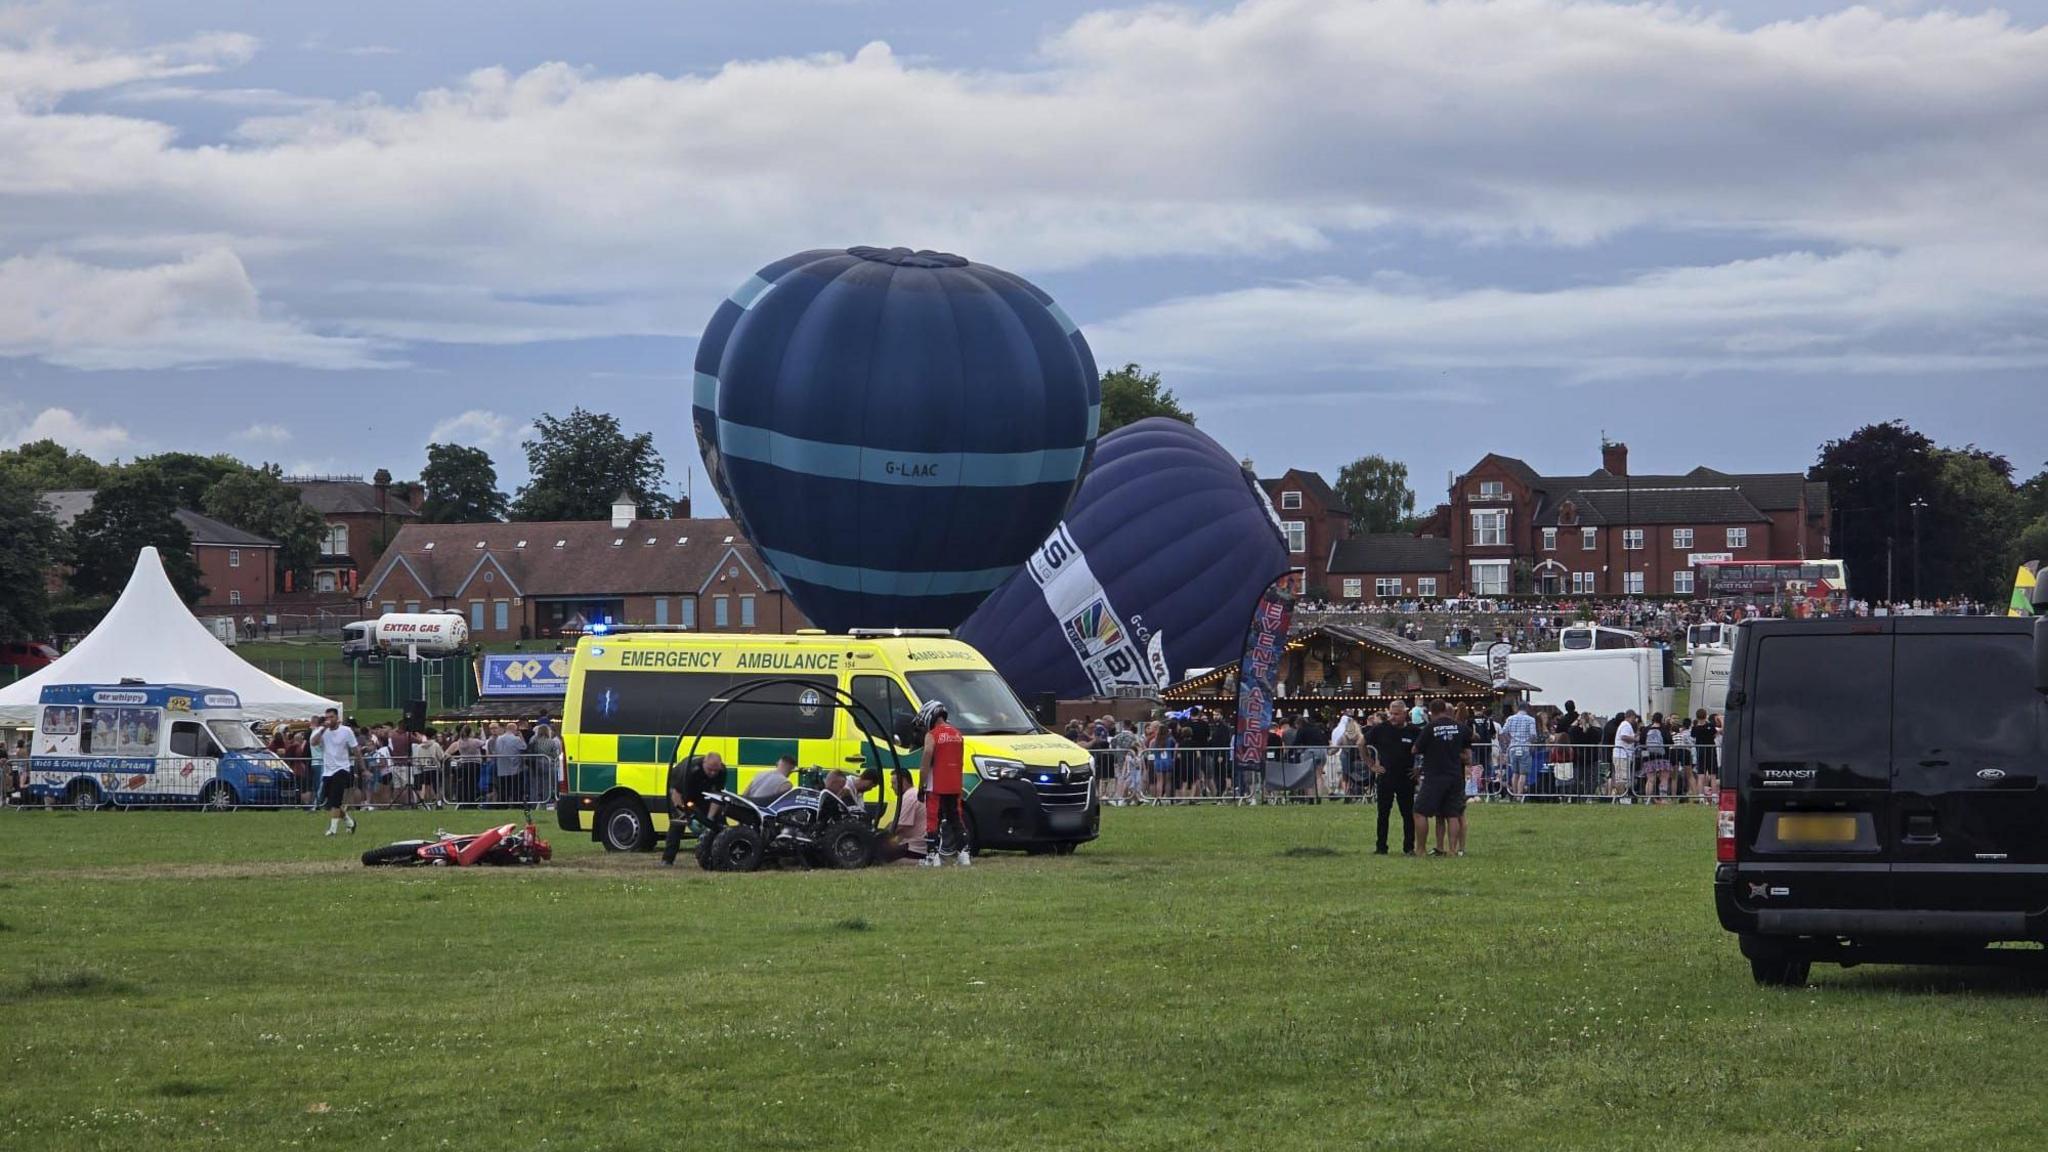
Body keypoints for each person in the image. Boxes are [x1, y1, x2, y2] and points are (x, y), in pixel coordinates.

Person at [1414, 700, 1470, 856]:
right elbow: (1470, 748)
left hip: (1435, 775)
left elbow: (1415, 749)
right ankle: (1452, 850)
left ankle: (1421, 849)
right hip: (1455, 775)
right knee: (1452, 814)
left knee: (1420, 811)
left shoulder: (1430, 728)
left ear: (1431, 712)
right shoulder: (1460, 727)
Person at [919, 699, 968, 867]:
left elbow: (927, 756)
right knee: (956, 818)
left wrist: (921, 783)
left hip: (936, 784)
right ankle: (964, 854)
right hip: (955, 783)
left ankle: (932, 856)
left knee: (933, 818)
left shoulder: (932, 735)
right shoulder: (957, 734)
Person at [1366, 707, 1420, 855]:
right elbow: (1361, 743)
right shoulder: (1380, 729)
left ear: (1405, 714)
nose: (1393, 717)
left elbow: (1425, 749)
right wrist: (1371, 764)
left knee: (1408, 814)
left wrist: (1419, 768)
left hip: (1406, 777)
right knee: (1383, 813)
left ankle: (1409, 847)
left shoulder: (1414, 730)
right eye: (1391, 714)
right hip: (1386, 777)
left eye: (1396, 714)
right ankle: (1381, 847)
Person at [660, 752, 726, 866]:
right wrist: (685, 814)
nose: (713, 773)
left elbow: (717, 796)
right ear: (704, 763)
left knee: (719, 821)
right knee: (678, 823)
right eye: (710, 770)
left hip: (703, 794)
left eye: (716, 770)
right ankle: (667, 859)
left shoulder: (722, 771)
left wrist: (709, 819)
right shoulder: (690, 770)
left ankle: (721, 855)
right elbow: (676, 793)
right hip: (682, 794)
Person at [314, 708, 361, 836]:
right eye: (327, 717)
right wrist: (322, 729)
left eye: (332, 717)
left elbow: (356, 749)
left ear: (337, 717)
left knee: (335, 801)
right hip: (328, 771)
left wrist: (363, 767)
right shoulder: (322, 731)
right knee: (331, 803)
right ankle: (349, 822)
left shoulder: (346, 731)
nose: (329, 720)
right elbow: (313, 742)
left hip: (342, 769)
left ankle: (332, 830)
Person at [884, 766, 927, 860]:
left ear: (903, 781)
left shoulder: (909, 796)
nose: (891, 787)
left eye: (893, 783)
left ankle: (921, 863)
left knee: (883, 858)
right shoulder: (914, 794)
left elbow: (900, 826)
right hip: (918, 843)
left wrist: (882, 837)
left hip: (915, 847)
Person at [1501, 700, 1539, 801]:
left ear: (1518, 708)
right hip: (1525, 748)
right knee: (1523, 773)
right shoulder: (1530, 719)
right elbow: (1533, 735)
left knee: (1515, 772)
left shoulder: (1510, 718)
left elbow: (1503, 732)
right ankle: (1519, 795)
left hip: (1513, 748)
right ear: (1527, 709)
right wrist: (1531, 743)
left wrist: (1509, 741)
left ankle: (1513, 794)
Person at [490, 723, 528, 804]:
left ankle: (503, 804)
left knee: (503, 788)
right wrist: (521, 737)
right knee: (515, 787)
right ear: (514, 729)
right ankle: (515, 803)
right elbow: (524, 747)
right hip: (514, 767)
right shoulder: (516, 739)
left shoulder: (499, 739)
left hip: (502, 767)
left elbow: (496, 750)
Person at [1610, 711, 1639, 803]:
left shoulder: (1624, 725)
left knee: (1623, 777)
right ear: (1631, 716)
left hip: (1623, 755)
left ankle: (1620, 796)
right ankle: (1622, 797)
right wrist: (1634, 739)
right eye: (1634, 718)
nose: (1635, 720)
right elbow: (1624, 737)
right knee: (1622, 778)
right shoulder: (1626, 725)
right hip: (1622, 755)